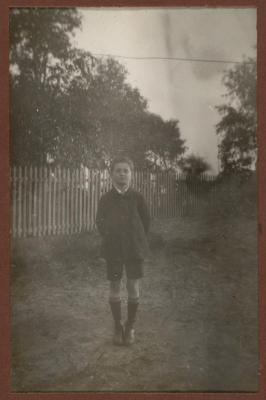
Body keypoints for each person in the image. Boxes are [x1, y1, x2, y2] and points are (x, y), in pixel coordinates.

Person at [96, 156, 150, 346]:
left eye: (126, 170)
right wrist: (111, 237)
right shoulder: (105, 199)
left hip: (134, 249)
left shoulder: (138, 197)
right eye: (118, 170)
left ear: (131, 174)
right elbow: (100, 222)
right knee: (115, 286)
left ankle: (130, 326)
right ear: (111, 174)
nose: (122, 174)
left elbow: (145, 222)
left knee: (133, 286)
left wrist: (135, 239)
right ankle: (117, 326)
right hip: (114, 249)